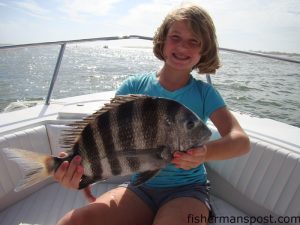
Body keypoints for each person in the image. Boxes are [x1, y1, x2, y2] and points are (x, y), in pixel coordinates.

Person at [55, 4, 250, 225]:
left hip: (188, 191)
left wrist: (204, 154)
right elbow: (104, 135)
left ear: (204, 50)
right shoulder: (134, 86)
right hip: (140, 188)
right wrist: (80, 173)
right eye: (175, 37)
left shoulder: (205, 94)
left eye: (193, 41)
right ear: (162, 41)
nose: (182, 46)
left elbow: (240, 141)